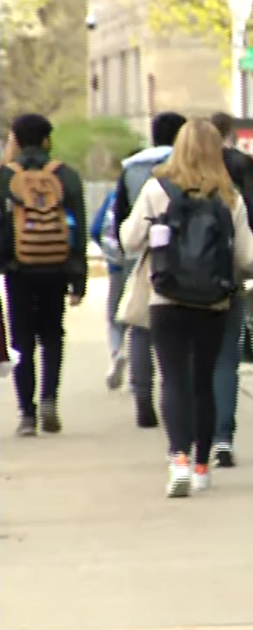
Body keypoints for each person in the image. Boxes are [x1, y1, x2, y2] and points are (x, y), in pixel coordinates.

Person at [119, 120, 253, 496]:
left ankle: (177, 459)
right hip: (214, 301)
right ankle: (201, 464)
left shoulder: (156, 189)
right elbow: (249, 258)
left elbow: (129, 238)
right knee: (203, 382)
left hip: (167, 298)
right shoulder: (228, 195)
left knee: (173, 379)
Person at [0, 114, 87, 436]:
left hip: (17, 269)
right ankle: (50, 398)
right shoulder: (66, 177)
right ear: (47, 140)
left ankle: (26, 413)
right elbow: (77, 227)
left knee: (22, 339)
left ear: (17, 141)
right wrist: (79, 278)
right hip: (56, 266)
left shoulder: (5, 178)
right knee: (52, 335)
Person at [116, 112, 187, 430]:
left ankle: (142, 394)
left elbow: (123, 222)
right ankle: (179, 396)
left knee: (141, 328)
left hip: (150, 258)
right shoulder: (202, 170)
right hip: (199, 264)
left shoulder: (132, 169)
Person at [209, 112, 253, 467]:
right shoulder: (235, 185)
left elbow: (131, 236)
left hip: (175, 291)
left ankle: (186, 445)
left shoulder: (164, 183)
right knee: (225, 363)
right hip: (226, 281)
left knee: (186, 365)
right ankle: (222, 437)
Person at [89, 185, 126, 390]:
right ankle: (142, 372)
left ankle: (117, 352)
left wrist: (108, 252)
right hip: (149, 266)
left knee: (114, 316)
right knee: (142, 321)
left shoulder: (115, 194)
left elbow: (95, 229)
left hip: (118, 266)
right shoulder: (159, 189)